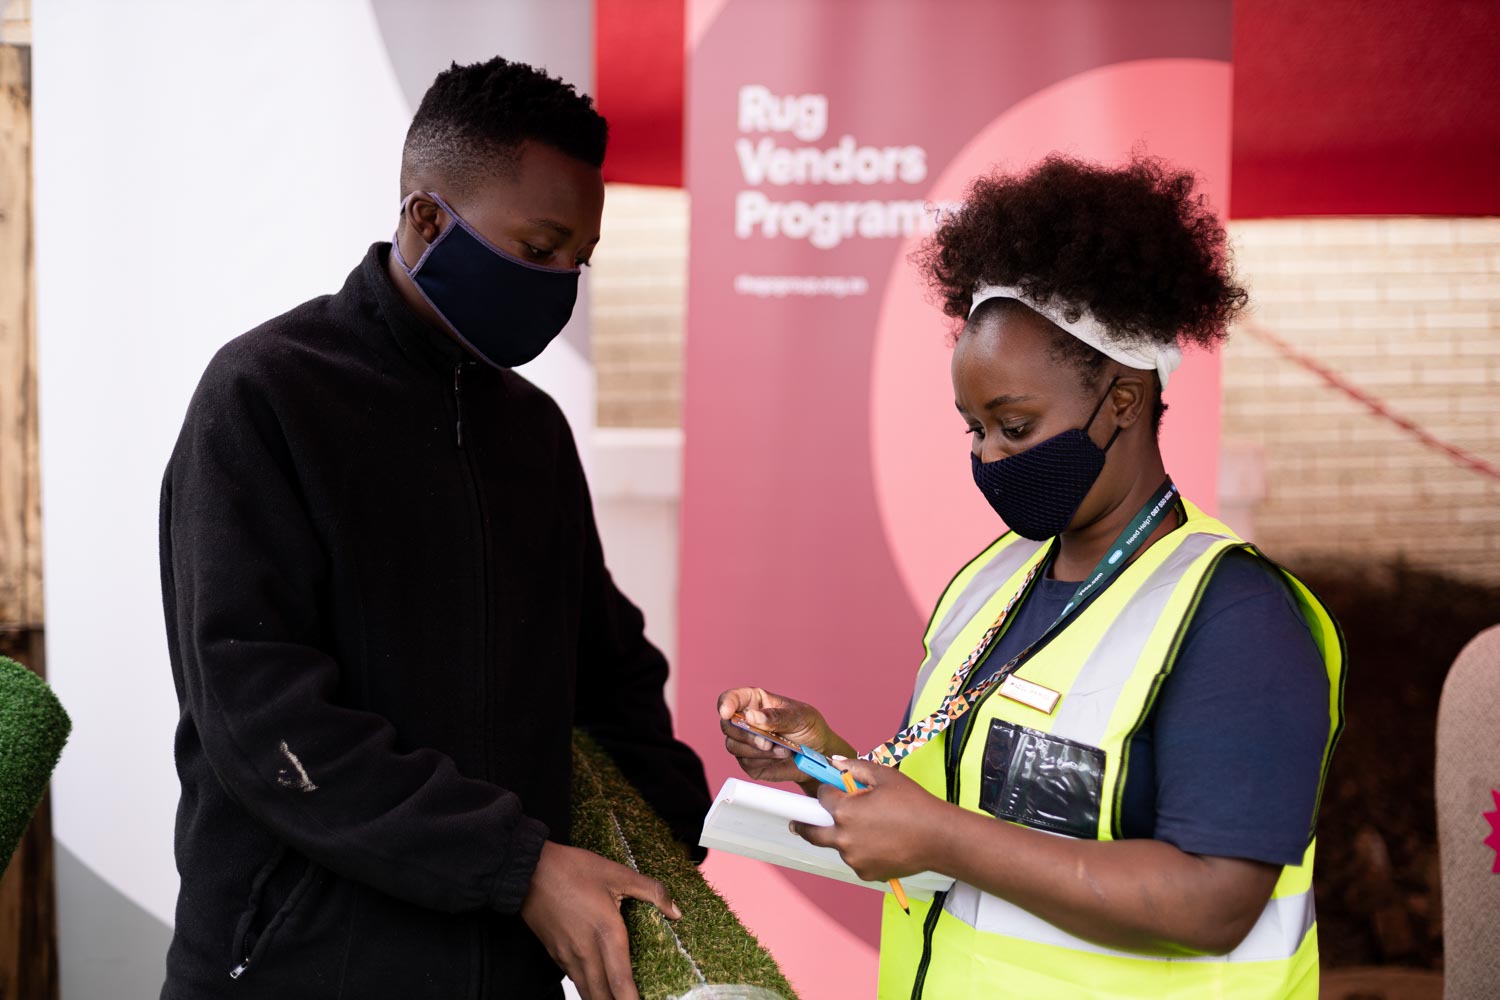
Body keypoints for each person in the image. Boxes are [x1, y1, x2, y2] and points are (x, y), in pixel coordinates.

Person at [719, 155, 1345, 999]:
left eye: (1013, 426)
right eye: (973, 429)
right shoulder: (993, 580)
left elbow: (1216, 903)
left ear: (1123, 400)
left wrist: (942, 838)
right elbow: (950, 805)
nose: (988, 457)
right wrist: (822, 759)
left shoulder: (1237, 617)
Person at [159, 57, 710, 1000]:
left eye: (580, 258)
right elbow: (265, 721)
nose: (561, 283)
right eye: (539, 248)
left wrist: (680, 840)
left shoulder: (533, 432)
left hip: (501, 973)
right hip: (294, 972)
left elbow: (609, 679)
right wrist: (519, 867)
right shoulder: (266, 395)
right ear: (425, 218)